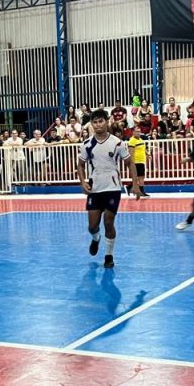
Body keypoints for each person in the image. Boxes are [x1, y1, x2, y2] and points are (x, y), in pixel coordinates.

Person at [77, 108, 137, 269]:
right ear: (91, 124)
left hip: (113, 187)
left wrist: (136, 185)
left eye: (101, 121)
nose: (98, 125)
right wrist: (83, 182)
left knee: (108, 223)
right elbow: (81, 165)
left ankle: (109, 255)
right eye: (95, 122)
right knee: (92, 226)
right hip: (95, 188)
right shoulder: (86, 144)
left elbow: (130, 162)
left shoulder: (118, 143)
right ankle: (96, 239)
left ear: (107, 121)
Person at [127, 127, 149, 198]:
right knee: (140, 177)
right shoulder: (132, 141)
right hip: (136, 161)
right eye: (136, 131)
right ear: (133, 132)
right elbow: (131, 152)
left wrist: (147, 154)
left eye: (139, 131)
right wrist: (132, 163)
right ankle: (141, 191)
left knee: (141, 177)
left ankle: (130, 186)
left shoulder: (141, 140)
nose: (138, 133)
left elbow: (143, 148)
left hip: (141, 160)